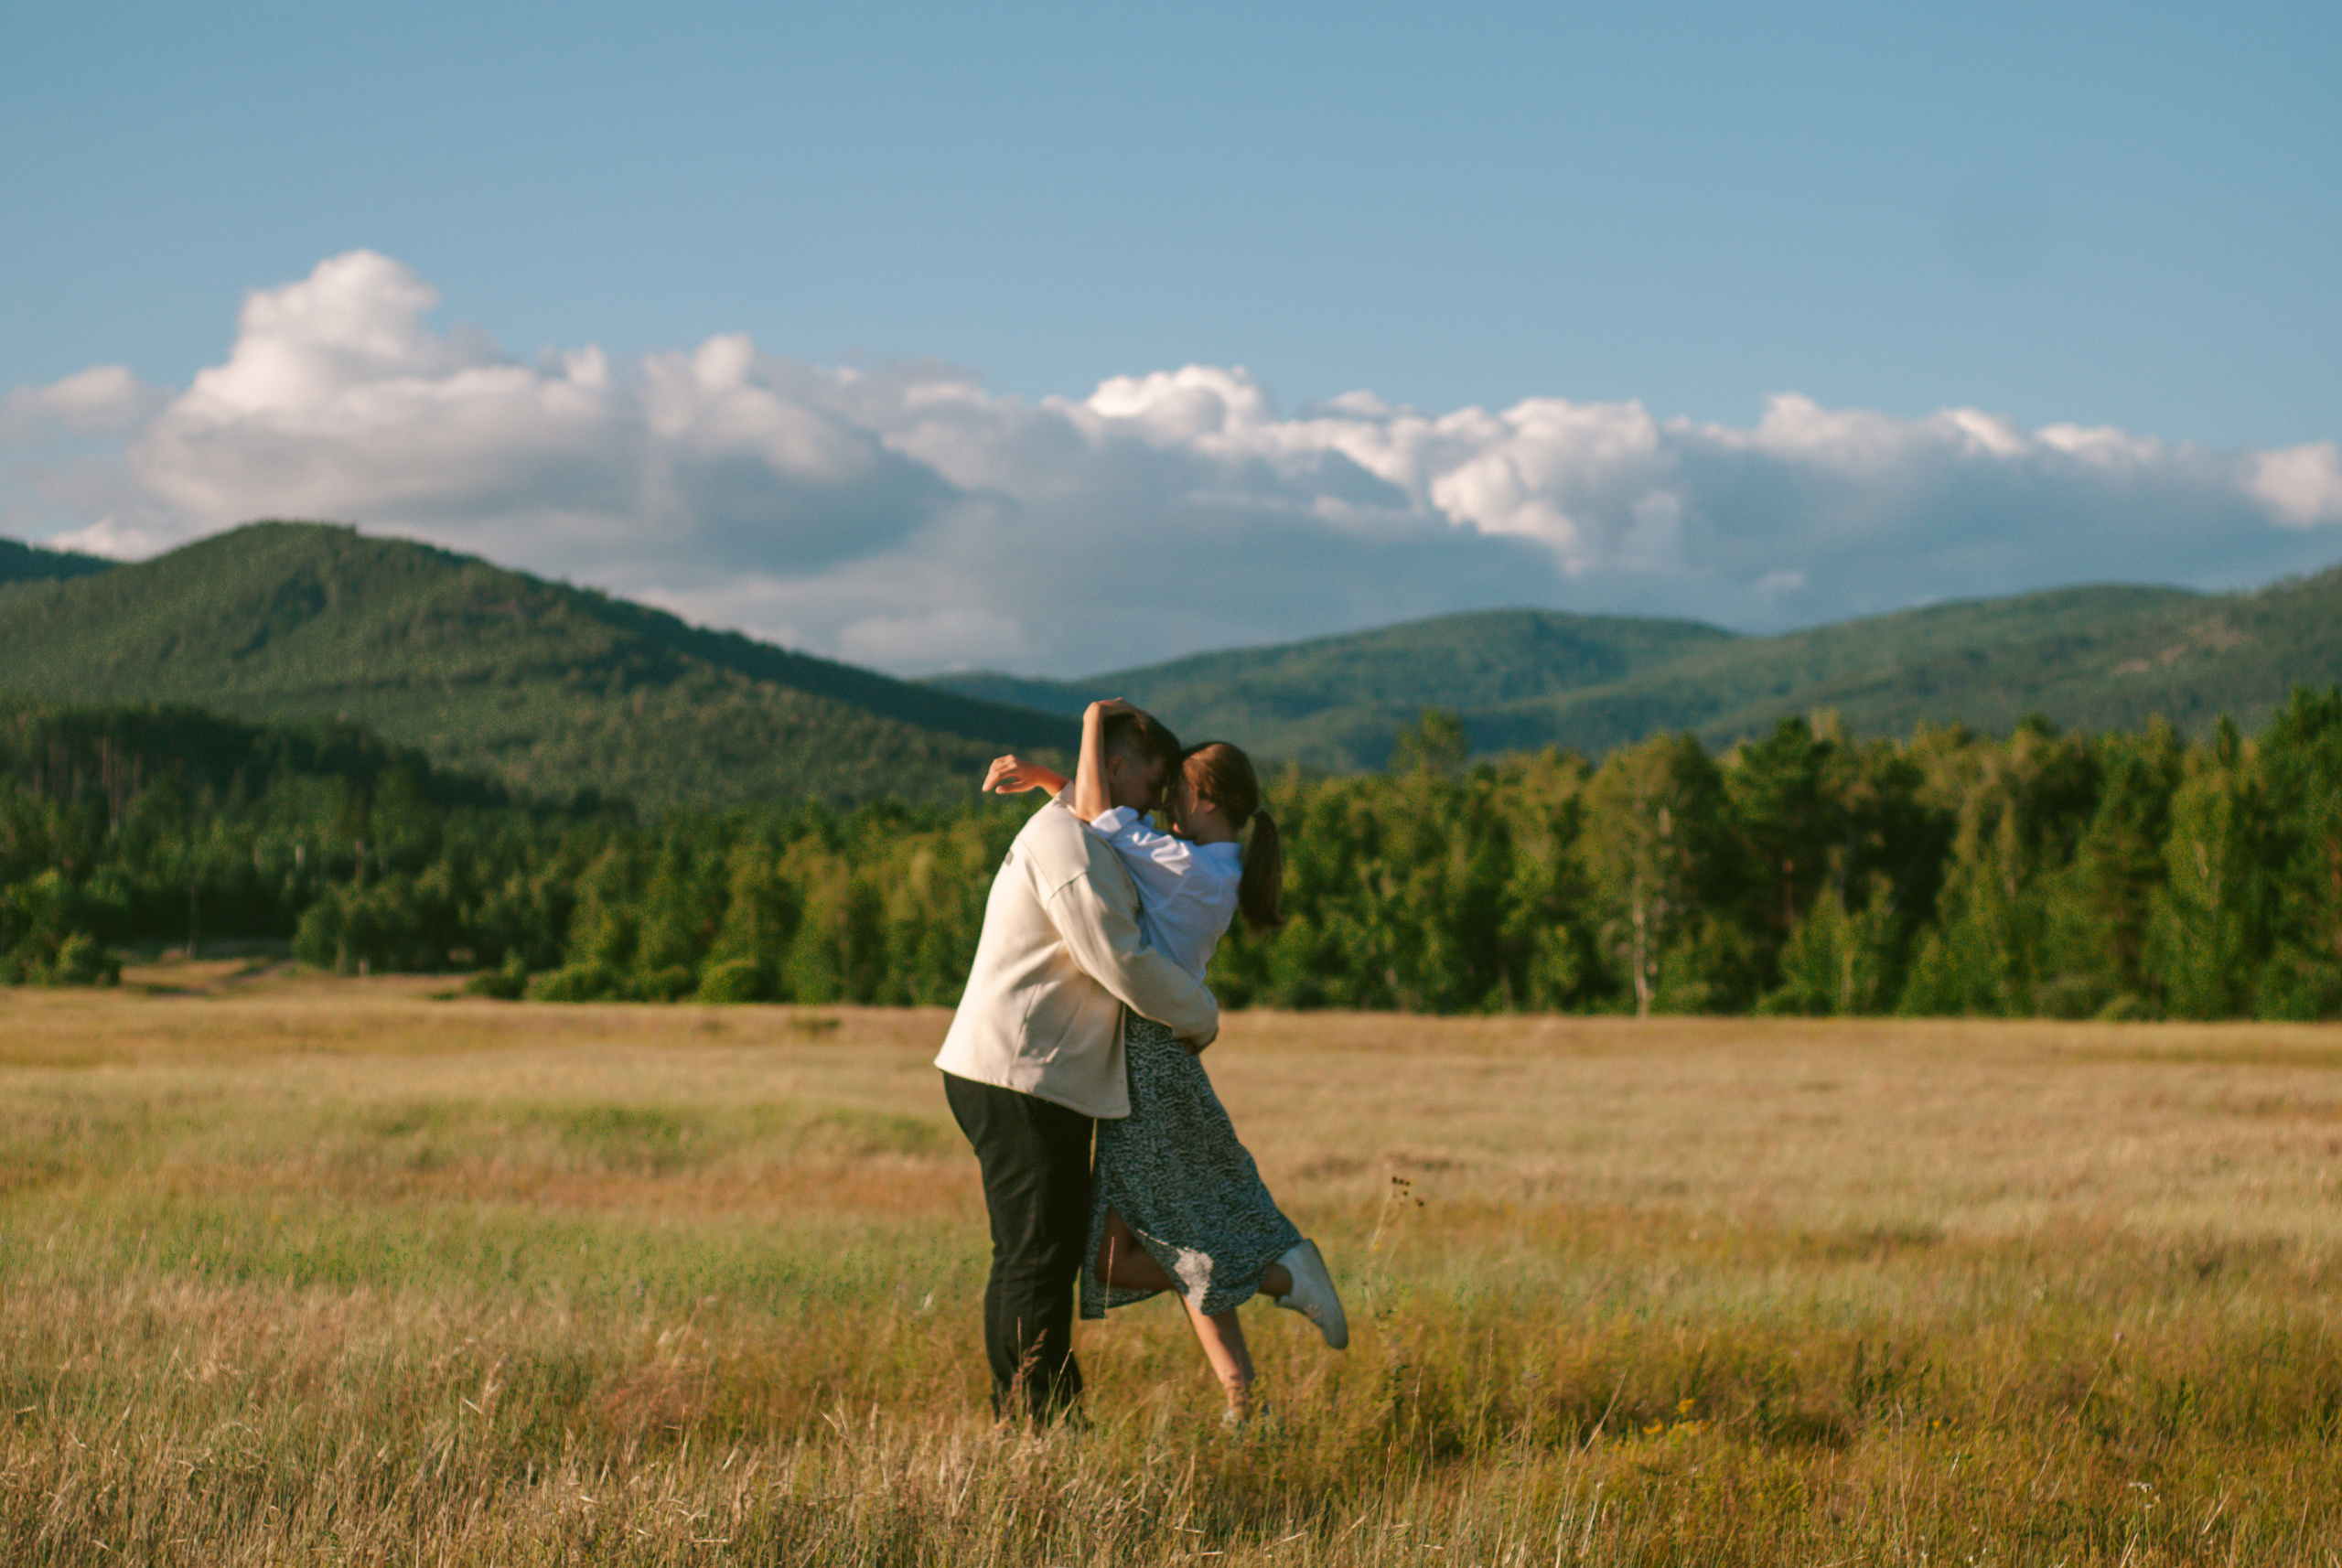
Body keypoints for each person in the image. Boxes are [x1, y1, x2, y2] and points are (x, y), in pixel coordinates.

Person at [984, 700, 1346, 1424]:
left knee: (1143, 1245)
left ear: (1199, 799)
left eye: (1169, 790)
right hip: (1146, 1050)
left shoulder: (1184, 865)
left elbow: (1097, 814)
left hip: (1148, 1054)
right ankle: (1243, 1396)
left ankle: (1282, 1276)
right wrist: (1045, 776)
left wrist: (1089, 721)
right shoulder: (1208, 861)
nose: (1157, 802)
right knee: (1141, 1242)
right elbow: (1101, 814)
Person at [935, 703, 1217, 1423]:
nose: (1158, 806)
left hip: (1034, 1075)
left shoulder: (1084, 828)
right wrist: (1199, 1015)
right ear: (1116, 768)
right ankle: (1038, 1419)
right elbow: (1117, 956)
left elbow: (1088, 803)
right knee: (1036, 1255)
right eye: (1153, 784)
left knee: (1042, 1252)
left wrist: (1049, 773)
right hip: (1019, 1076)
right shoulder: (1070, 844)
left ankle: (1034, 1411)